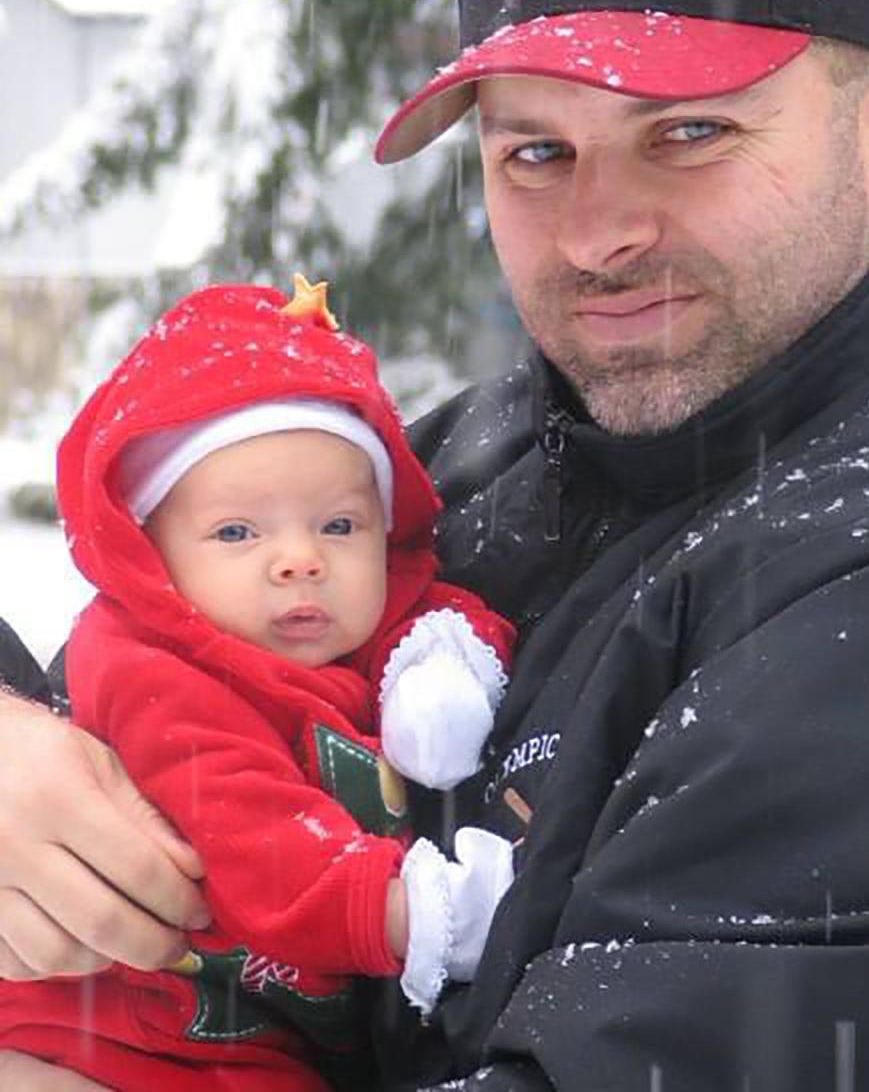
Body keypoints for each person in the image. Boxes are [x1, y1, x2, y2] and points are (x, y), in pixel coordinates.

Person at [0, 0, 869, 1086]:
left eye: (689, 133)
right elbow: (147, 665)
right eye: (537, 153)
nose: (596, 233)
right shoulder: (483, 454)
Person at [0, 278, 514, 1089]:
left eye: (339, 525)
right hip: (109, 1024)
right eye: (237, 531)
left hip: (255, 1031)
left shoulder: (330, 622)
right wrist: (420, 914)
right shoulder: (147, 667)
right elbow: (249, 837)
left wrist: (441, 666)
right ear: (155, 556)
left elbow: (436, 605)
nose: (300, 559)